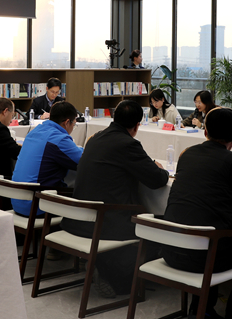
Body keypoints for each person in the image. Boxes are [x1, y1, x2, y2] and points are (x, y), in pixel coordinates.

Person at [163, 107, 232, 318]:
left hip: (170, 249)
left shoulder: (187, 155)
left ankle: (201, 309)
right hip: (205, 257)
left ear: (205, 131)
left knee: (208, 231)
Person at [61, 100, 169, 298]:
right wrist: (159, 168)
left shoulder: (95, 138)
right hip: (106, 222)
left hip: (80, 218)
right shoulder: (128, 144)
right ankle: (110, 272)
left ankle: (103, 264)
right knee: (159, 231)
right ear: (137, 126)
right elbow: (157, 180)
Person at [11, 101, 82, 217]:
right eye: (74, 124)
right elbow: (83, 161)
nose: (73, 127)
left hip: (18, 201)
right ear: (67, 122)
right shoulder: (58, 138)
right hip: (37, 205)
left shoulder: (34, 132)